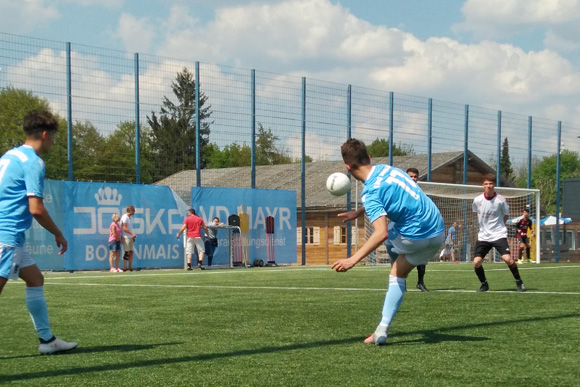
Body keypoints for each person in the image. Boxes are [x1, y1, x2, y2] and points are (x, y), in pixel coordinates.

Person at [332, 139, 445, 345]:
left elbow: (381, 232)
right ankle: (381, 328)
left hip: (413, 238)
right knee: (398, 265)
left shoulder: (370, 193)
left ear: (347, 168)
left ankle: (383, 327)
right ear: (369, 158)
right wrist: (357, 212)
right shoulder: (389, 169)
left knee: (392, 253)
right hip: (438, 232)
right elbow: (386, 195)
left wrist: (352, 259)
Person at [0, 110, 78, 354]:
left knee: (35, 279)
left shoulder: (9, 156)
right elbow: (36, 208)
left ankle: (48, 340)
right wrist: (58, 233)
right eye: (53, 138)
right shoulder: (33, 162)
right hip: (6, 235)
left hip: (12, 236)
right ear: (45, 135)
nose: (53, 143)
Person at [472, 175, 525, 292]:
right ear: (483, 186)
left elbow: (506, 214)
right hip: (483, 236)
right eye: (486, 184)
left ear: (494, 185)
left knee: (507, 259)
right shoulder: (477, 200)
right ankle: (484, 284)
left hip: (498, 234)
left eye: (490, 184)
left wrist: (500, 226)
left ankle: (519, 282)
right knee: (476, 262)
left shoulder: (500, 200)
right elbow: (476, 212)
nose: (488, 186)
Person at [405, 168, 429, 292]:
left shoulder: (420, 193)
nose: (413, 179)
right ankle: (400, 282)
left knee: (421, 255)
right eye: (411, 176)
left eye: (415, 177)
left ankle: (420, 282)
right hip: (404, 228)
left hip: (419, 228)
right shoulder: (400, 191)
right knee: (402, 255)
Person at [120, 205, 137, 272]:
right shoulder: (125, 217)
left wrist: (132, 236)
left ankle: (130, 266)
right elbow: (124, 228)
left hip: (129, 237)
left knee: (131, 252)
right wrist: (132, 234)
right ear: (130, 211)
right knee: (126, 252)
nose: (134, 212)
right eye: (133, 210)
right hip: (125, 237)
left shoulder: (129, 218)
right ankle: (125, 267)